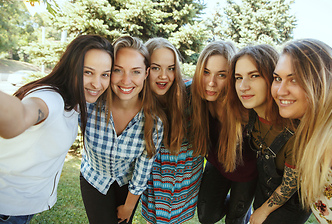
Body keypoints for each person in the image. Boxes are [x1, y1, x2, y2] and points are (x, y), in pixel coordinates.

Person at [0, 34, 113, 224]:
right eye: (87, 72)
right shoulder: (53, 99)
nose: (97, 83)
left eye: (105, 74)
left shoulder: (75, 101)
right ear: (71, 68)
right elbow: (22, 116)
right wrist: (16, 116)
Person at [271, 38, 332, 223]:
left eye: (294, 79)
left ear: (324, 82)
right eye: (277, 78)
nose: (280, 90)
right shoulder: (311, 128)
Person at [80, 35, 166, 224]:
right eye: (118, 70)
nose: (126, 81)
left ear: (146, 73)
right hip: (94, 178)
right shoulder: (89, 106)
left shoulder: (154, 121)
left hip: (126, 185)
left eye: (135, 71)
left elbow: (143, 168)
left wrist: (129, 206)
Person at [226, 44, 311, 224]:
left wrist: (263, 211)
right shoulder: (250, 115)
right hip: (265, 189)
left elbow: (290, 186)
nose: (243, 86)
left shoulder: (294, 131)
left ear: (272, 78)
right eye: (238, 77)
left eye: (254, 76)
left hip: (291, 203)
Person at [192, 41, 258, 224]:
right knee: (207, 216)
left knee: (234, 221)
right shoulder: (198, 99)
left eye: (221, 75)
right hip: (217, 165)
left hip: (247, 173)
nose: (211, 83)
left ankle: (243, 209)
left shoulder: (246, 106)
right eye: (206, 72)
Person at [141, 37, 203, 224]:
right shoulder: (138, 99)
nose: (164, 76)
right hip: (155, 180)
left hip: (185, 175)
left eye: (170, 68)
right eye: (156, 67)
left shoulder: (191, 92)